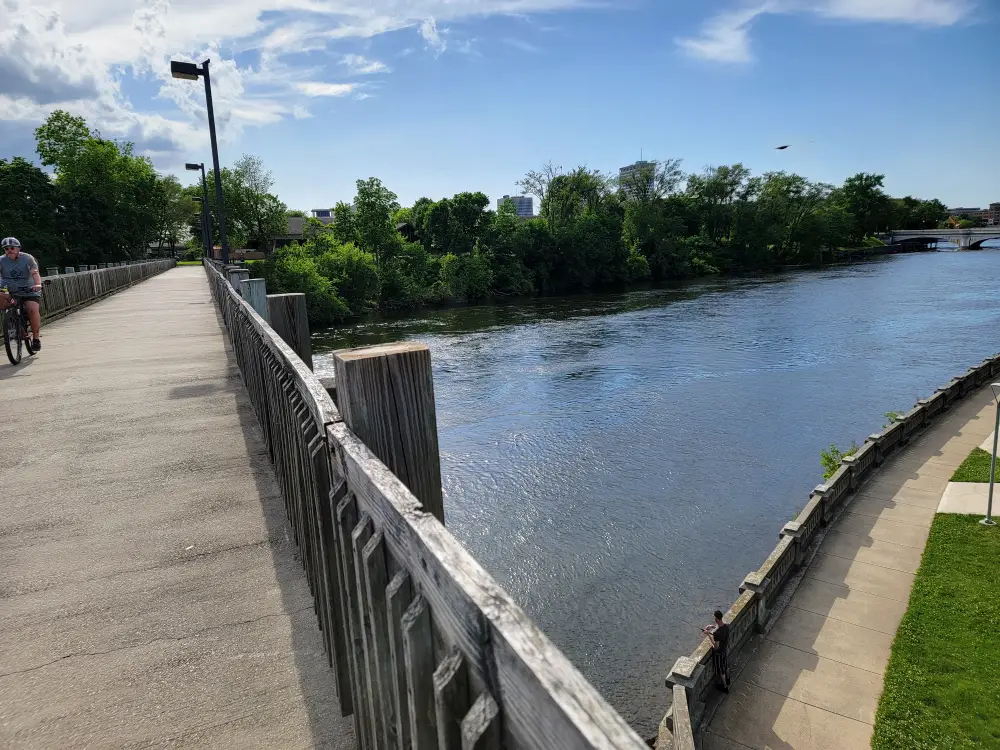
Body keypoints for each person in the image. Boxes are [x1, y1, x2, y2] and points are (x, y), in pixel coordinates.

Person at [0, 237, 43, 351]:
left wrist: (38, 284)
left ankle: (36, 339)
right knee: (5, 305)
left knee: (32, 309)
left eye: (12, 248)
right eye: (6, 248)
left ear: (18, 248)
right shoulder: (1, 260)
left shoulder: (28, 258)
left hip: (29, 289)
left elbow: (34, 272)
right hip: (9, 289)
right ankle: (14, 323)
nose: (9, 250)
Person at [702, 609, 730, 692]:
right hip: (724, 650)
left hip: (719, 653)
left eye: (714, 617)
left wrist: (708, 635)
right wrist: (712, 627)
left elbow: (716, 646)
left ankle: (724, 686)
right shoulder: (726, 626)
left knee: (721, 670)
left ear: (716, 618)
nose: (713, 618)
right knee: (725, 666)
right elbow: (721, 628)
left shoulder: (716, 633)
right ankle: (728, 680)